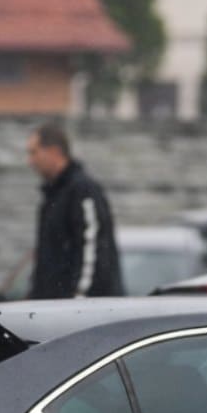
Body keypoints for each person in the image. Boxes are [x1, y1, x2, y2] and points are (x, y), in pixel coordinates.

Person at [26, 120, 124, 299]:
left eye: (34, 153)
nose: (30, 161)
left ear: (54, 152)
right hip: (54, 312)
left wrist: (77, 302)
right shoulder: (53, 196)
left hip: (81, 314)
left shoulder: (82, 191)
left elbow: (92, 252)